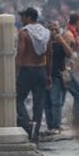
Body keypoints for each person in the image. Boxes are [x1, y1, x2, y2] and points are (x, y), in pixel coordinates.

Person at [16, 7, 52, 142]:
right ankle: (35, 135)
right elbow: (50, 55)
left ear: (29, 17)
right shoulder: (46, 33)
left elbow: (20, 54)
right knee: (39, 103)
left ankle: (27, 124)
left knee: (17, 99)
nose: (21, 19)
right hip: (41, 70)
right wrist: (48, 75)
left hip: (27, 70)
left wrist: (15, 73)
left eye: (23, 17)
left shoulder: (24, 33)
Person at [45, 21, 74, 133]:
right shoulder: (44, 44)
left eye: (56, 30)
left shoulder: (60, 43)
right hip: (47, 75)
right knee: (48, 102)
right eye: (51, 29)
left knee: (57, 101)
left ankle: (56, 126)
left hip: (58, 75)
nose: (54, 32)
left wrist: (62, 42)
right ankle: (51, 126)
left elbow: (70, 54)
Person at [60, 13, 79, 127]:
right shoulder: (68, 34)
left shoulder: (72, 33)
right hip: (64, 70)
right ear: (77, 22)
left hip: (67, 69)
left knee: (62, 96)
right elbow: (64, 52)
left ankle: (57, 122)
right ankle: (77, 121)